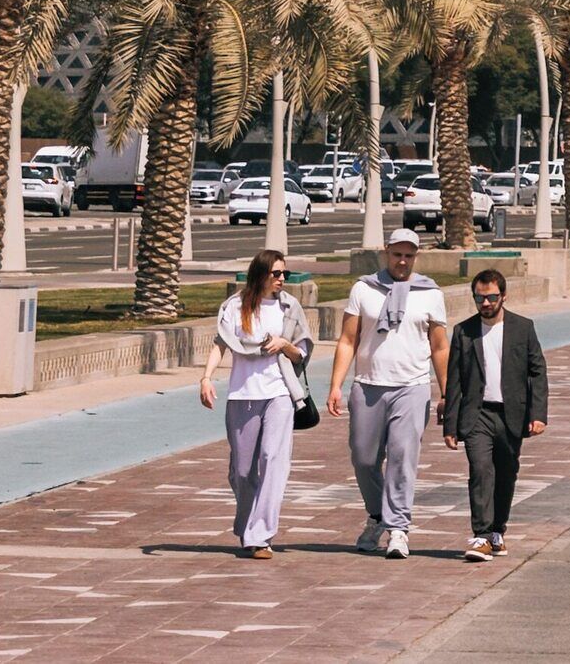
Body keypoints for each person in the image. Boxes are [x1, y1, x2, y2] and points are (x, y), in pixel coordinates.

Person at [329, 227, 450, 559]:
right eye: (397, 254)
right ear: (387, 253)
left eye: (409, 255)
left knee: (401, 457)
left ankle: (399, 528)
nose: (402, 260)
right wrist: (336, 384)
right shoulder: (364, 289)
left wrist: (446, 391)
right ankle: (378, 516)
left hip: (411, 387)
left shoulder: (429, 293)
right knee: (364, 458)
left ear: (416, 257)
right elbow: (348, 340)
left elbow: (439, 347)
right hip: (368, 386)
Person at [200, 248, 314, 558]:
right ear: (260, 274)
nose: (281, 279)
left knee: (273, 460)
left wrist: (285, 344)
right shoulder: (236, 308)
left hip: (278, 393)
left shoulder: (289, 307)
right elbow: (221, 344)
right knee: (242, 470)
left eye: (284, 274)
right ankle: (247, 524)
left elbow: (301, 353)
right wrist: (207, 378)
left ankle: (261, 535)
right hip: (242, 395)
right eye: (276, 274)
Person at [439, 266, 549, 559]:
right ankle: (481, 536)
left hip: (512, 416)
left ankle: (498, 530)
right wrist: (450, 426)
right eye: (479, 298)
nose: (485, 303)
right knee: (481, 470)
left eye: (491, 297)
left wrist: (538, 414)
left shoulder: (523, 328)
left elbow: (537, 372)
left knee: (506, 474)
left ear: (504, 296)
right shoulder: (464, 332)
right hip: (477, 416)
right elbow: (455, 380)